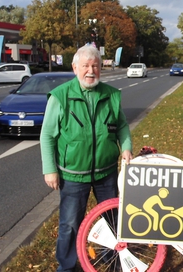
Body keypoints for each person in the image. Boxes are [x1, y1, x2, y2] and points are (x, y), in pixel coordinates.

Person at [40, 45, 133, 272]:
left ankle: (112, 261)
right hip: (73, 175)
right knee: (70, 225)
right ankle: (67, 266)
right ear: (75, 68)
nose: (90, 71)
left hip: (107, 171)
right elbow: (47, 136)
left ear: (101, 68)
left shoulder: (110, 95)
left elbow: (121, 127)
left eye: (95, 66)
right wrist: (49, 169)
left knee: (112, 219)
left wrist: (126, 147)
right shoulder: (61, 97)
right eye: (85, 66)